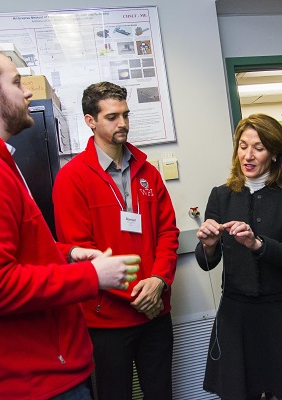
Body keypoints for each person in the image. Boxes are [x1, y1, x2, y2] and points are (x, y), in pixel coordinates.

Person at [0, 41, 140, 399]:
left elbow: (14, 250)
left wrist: (68, 254)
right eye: (16, 82)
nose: (28, 91)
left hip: (34, 373)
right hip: (24, 383)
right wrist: (90, 277)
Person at [52, 82, 179, 400]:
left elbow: (168, 232)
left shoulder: (148, 172)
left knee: (161, 393)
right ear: (90, 121)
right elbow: (80, 250)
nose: (122, 123)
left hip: (155, 312)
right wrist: (140, 295)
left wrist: (158, 281)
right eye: (111, 117)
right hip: (106, 319)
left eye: (125, 115)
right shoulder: (72, 178)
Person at [195, 113, 282, 400]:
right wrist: (209, 245)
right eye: (242, 146)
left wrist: (257, 243)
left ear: (274, 153)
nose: (248, 155)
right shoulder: (221, 196)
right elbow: (206, 261)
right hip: (237, 317)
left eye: (258, 148)